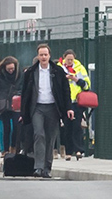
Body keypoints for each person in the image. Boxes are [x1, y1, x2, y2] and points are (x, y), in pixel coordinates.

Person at [21, 44, 74, 178]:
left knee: (50, 138)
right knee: (39, 134)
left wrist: (68, 108)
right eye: (41, 55)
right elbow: (25, 93)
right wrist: (23, 112)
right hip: (37, 107)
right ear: (37, 56)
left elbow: (65, 91)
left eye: (46, 54)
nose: (43, 57)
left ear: (49, 55)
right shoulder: (31, 72)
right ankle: (38, 167)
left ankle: (47, 168)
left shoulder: (58, 71)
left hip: (53, 108)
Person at [58, 49, 91, 161]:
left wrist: (76, 79)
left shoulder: (80, 68)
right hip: (64, 103)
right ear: (64, 59)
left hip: (77, 103)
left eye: (72, 59)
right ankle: (68, 151)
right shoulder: (59, 68)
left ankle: (78, 150)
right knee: (67, 127)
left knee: (77, 126)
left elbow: (86, 86)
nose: (70, 62)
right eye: (68, 60)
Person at [0, 56, 23, 157]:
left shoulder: (20, 75)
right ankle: (6, 150)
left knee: (16, 127)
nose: (11, 71)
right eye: (9, 69)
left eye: (12, 68)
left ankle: (14, 148)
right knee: (6, 128)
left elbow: (23, 88)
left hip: (16, 103)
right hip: (4, 104)